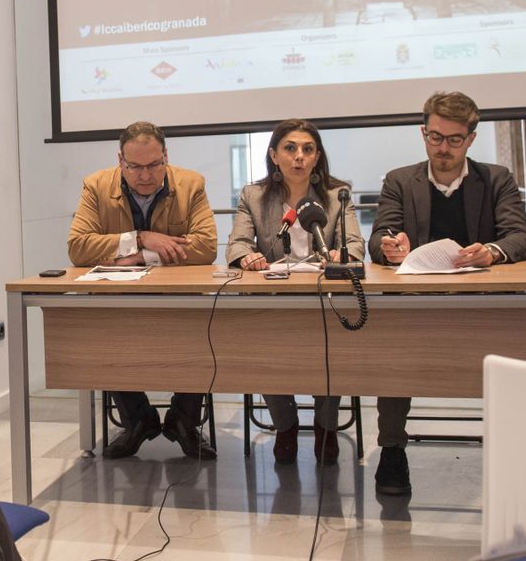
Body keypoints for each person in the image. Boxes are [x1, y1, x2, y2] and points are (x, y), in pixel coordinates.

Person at [368, 91, 526, 496]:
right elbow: (379, 237)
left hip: (481, 302)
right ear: (423, 133)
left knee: (513, 355)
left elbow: (521, 237)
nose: (443, 148)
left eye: (454, 140)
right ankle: (392, 449)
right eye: (435, 137)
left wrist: (492, 252)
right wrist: (390, 247)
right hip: (414, 304)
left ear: (471, 140)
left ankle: (515, 448)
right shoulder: (399, 180)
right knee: (392, 354)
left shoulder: (496, 179)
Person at [67, 121, 219, 459]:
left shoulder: (191, 184)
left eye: (153, 165)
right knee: (100, 330)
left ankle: (184, 420)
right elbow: (78, 247)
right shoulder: (95, 186)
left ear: (166, 156)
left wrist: (141, 255)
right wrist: (140, 237)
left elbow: (206, 247)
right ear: (120, 160)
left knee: (203, 328)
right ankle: (137, 420)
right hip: (118, 302)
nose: (145, 175)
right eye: (135, 166)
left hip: (180, 301)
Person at [225, 119, 364, 466]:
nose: (298, 156)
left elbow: (354, 246)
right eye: (290, 148)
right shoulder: (254, 197)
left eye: (307, 149)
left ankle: (325, 428)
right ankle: (285, 427)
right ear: (274, 155)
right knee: (267, 352)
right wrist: (248, 257)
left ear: (317, 158)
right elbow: (237, 245)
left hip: (325, 302)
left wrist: (340, 255)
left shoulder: (336, 195)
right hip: (275, 304)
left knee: (331, 350)